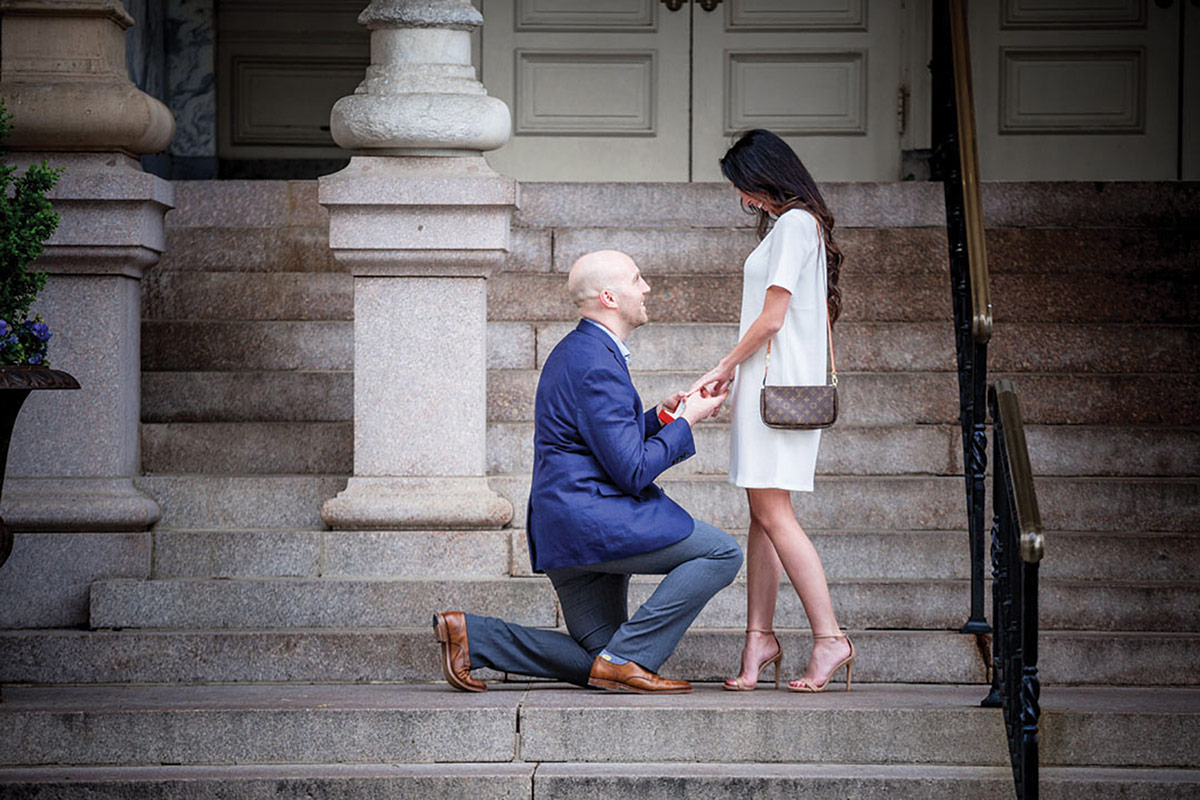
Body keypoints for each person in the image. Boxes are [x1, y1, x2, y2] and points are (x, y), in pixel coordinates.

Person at [434, 249, 741, 694]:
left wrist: (664, 416)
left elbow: (600, 436)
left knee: (599, 660)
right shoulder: (596, 362)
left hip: (567, 525)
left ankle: (475, 637)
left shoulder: (582, 350)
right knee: (721, 552)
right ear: (609, 297)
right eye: (637, 279)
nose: (647, 288)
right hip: (592, 523)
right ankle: (631, 659)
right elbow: (633, 470)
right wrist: (690, 420)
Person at [689, 129, 855, 693]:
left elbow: (773, 318)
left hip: (772, 393)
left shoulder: (794, 224)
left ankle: (830, 638)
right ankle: (759, 637)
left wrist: (723, 366)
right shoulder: (800, 227)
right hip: (773, 388)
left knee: (774, 515)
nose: (743, 199)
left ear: (765, 177)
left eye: (745, 187)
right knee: (762, 513)